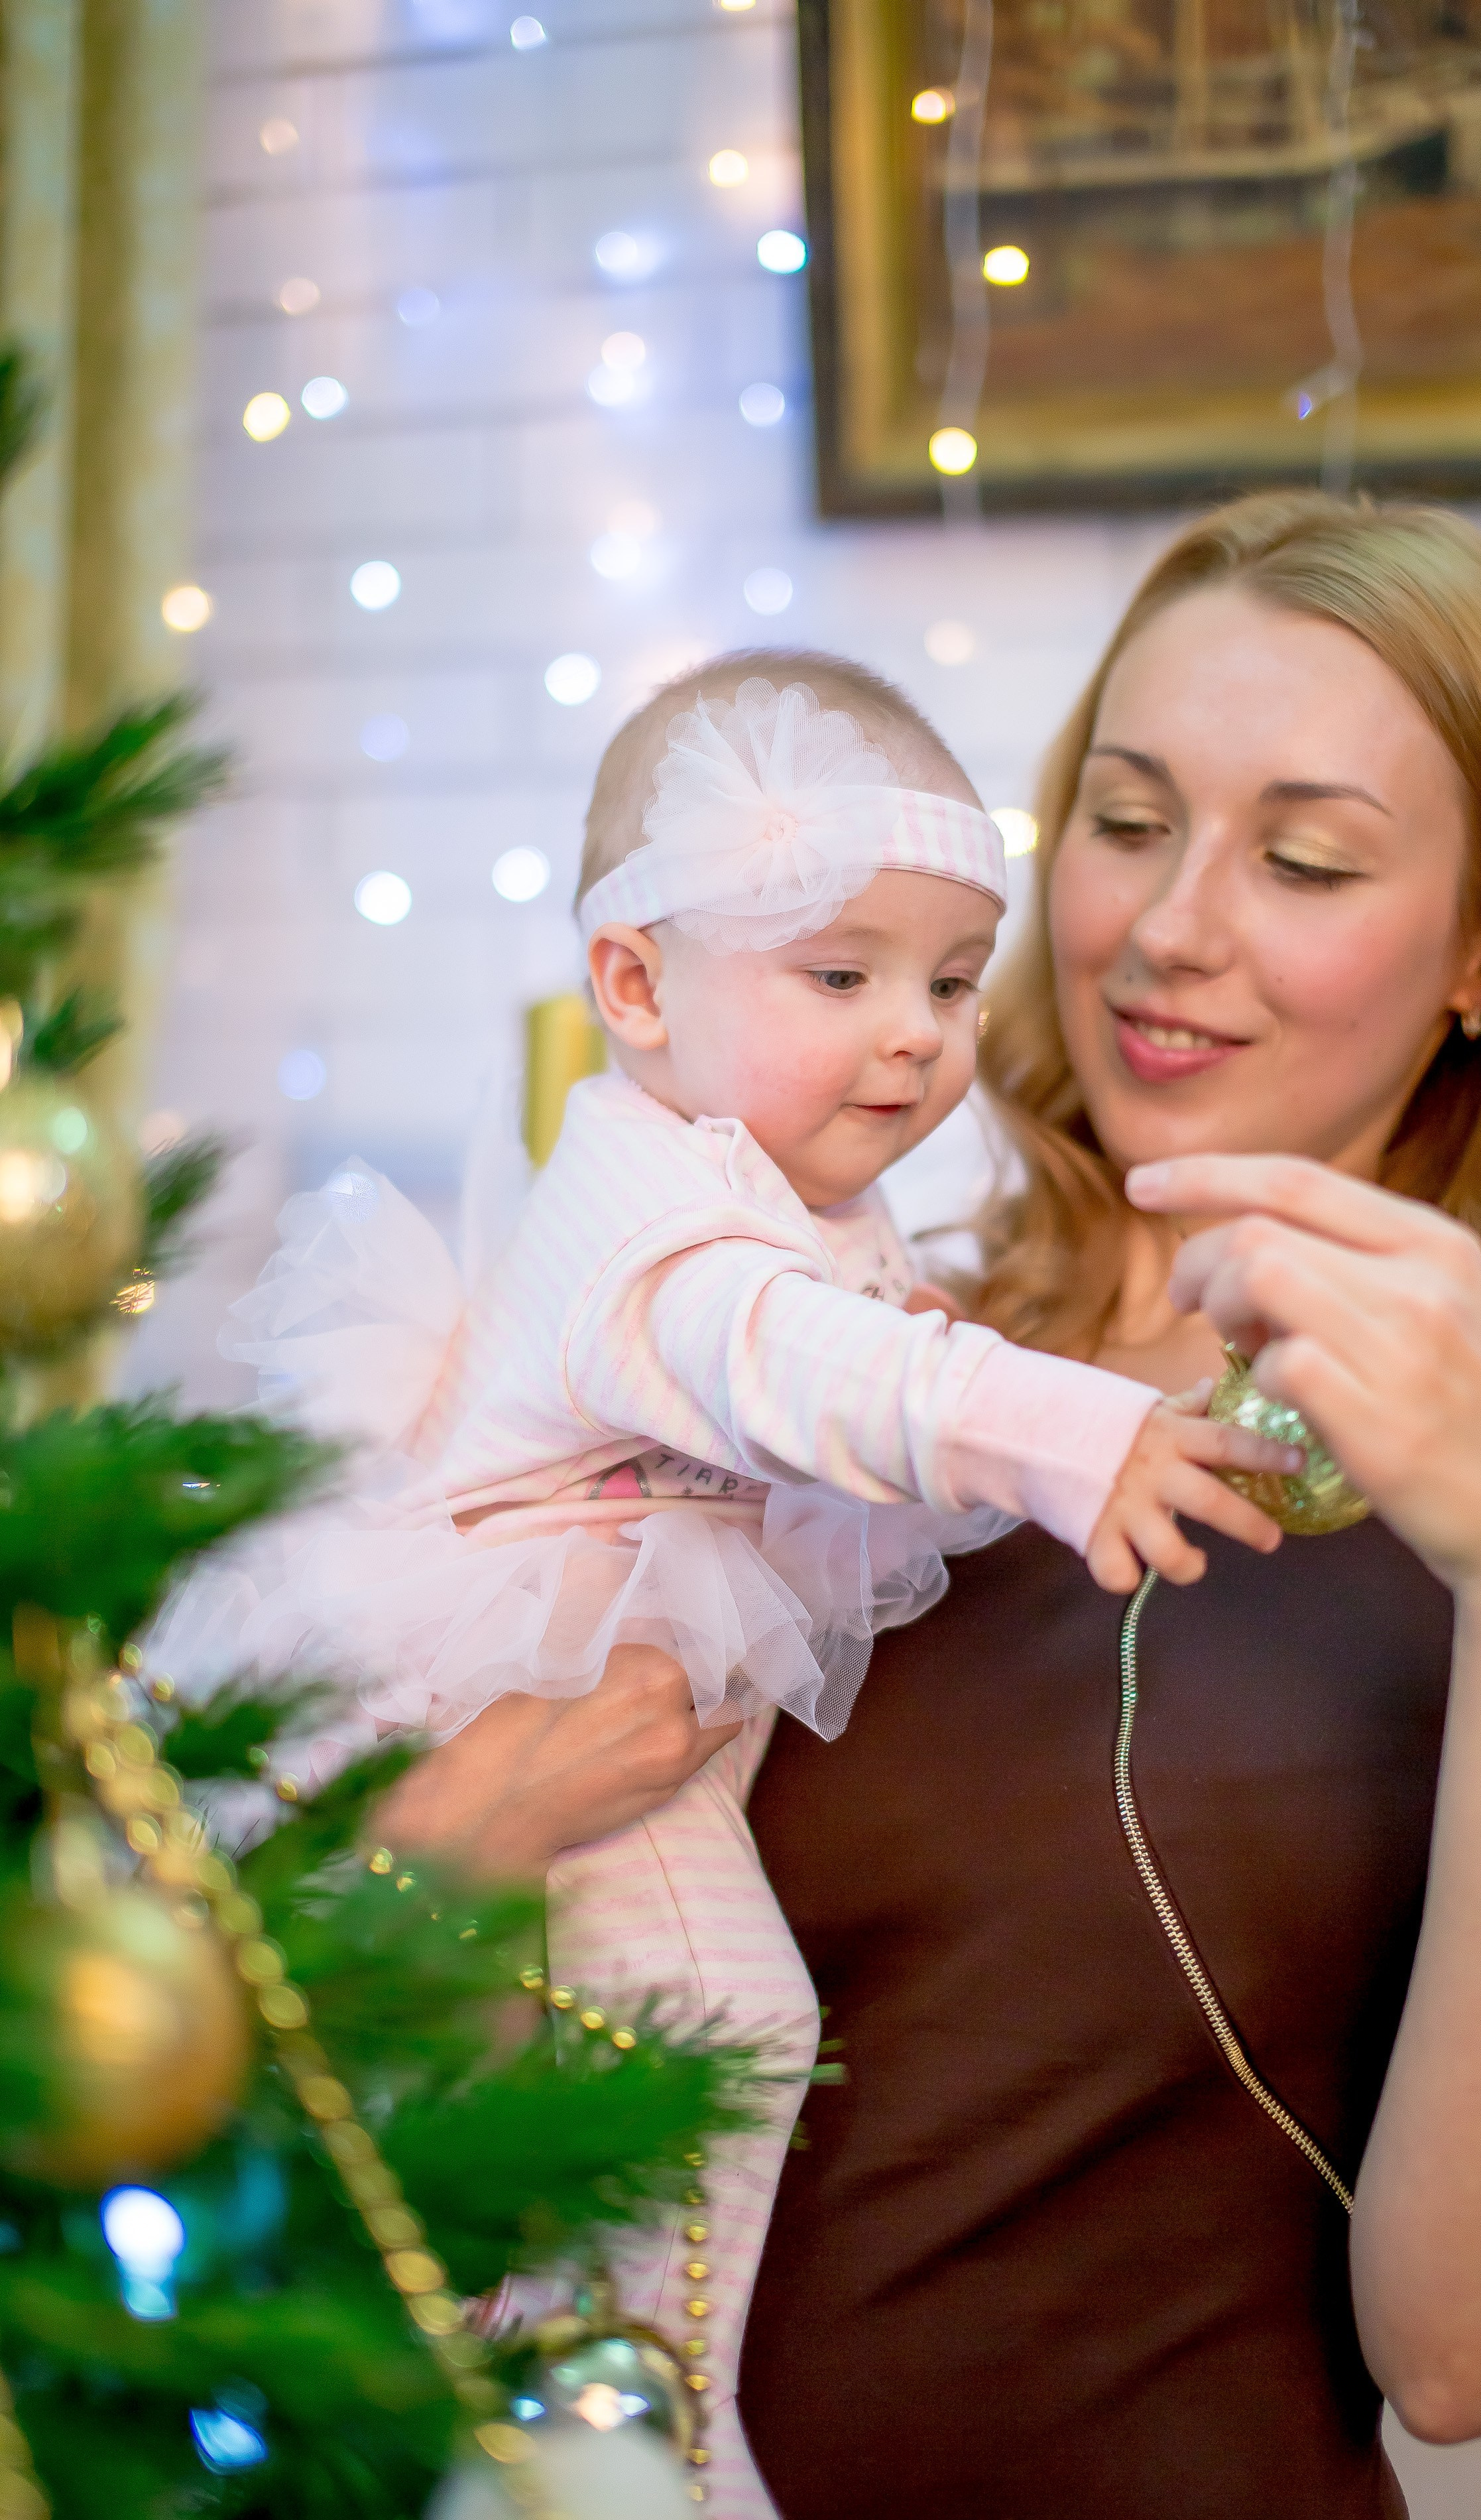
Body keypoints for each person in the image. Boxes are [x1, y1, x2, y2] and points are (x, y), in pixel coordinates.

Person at [381, 497, 1481, 2517]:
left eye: (1309, 857)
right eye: (1128, 822)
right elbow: (446, 2092)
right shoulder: (836, 1370)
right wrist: (422, 1869)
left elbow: (1473, 2354)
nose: (1171, 928)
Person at [156, 654, 1298, 2513]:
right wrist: (1069, 1431)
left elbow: (863, 1402)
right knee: (717, 2033)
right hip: (510, 1690)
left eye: (946, 980)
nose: (916, 1036)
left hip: (613, 1685)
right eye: (840, 977)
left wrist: (1021, 1385)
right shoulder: (655, 1216)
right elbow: (798, 1372)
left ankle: (576, 2410)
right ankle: (650, 2450)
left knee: (552, 2097)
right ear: (631, 983)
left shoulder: (795, 1206)